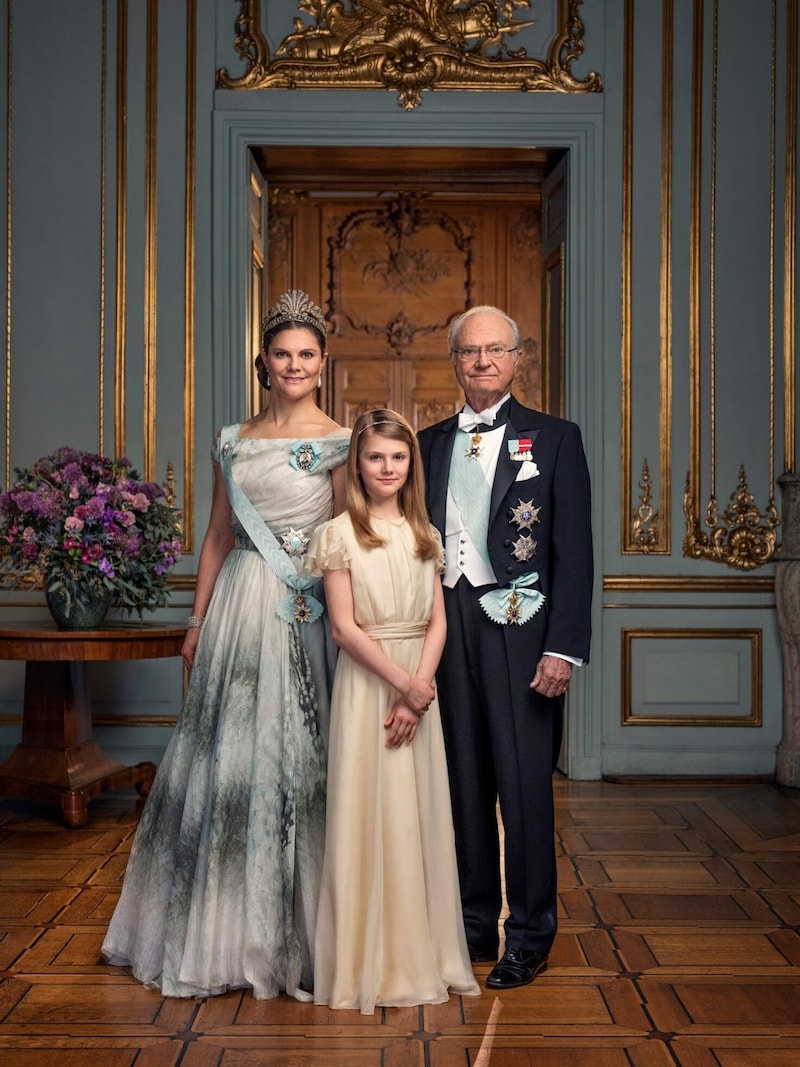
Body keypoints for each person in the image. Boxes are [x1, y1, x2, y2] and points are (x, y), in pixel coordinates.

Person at [101, 289, 351, 1000]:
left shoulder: (338, 440)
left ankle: (300, 935)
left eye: (306, 354)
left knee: (300, 759)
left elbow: (346, 540)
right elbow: (216, 535)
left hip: (303, 604)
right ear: (262, 362)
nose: (294, 364)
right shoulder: (232, 438)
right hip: (239, 603)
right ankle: (220, 931)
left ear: (322, 363)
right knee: (229, 761)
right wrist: (196, 618)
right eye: (282, 353)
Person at [417, 305, 593, 990]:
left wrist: (564, 649)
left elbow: (572, 552)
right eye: (469, 351)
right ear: (454, 361)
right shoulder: (427, 442)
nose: (483, 361)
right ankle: (472, 922)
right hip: (446, 622)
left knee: (523, 788)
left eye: (496, 349)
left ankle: (529, 932)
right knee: (462, 782)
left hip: (524, 632)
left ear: (519, 358)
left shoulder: (554, 439)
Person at [306, 409, 480, 1014]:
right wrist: (403, 685)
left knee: (417, 815)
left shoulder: (424, 532)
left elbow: (438, 620)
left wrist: (420, 687)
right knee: (366, 813)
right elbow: (343, 630)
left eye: (398, 458)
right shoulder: (338, 534)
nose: (387, 468)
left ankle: (418, 952)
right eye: (376, 457)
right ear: (357, 462)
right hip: (369, 684)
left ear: (412, 465)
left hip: (416, 685)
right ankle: (365, 961)